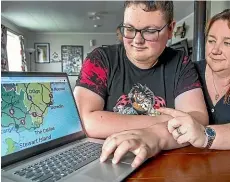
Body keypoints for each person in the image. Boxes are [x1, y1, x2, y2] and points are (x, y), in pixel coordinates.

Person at [100, 7, 230, 167]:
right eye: (211, 41)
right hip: (190, 165)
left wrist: (205, 135)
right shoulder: (190, 70)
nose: (215, 50)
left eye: (228, 43)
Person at [74, 1, 208, 167]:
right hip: (108, 160)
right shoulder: (100, 59)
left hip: (165, 164)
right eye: (129, 29)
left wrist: (155, 135)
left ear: (170, 29)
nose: (137, 40)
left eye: (150, 31)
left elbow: (198, 119)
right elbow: (82, 122)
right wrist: (166, 122)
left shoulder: (181, 63)